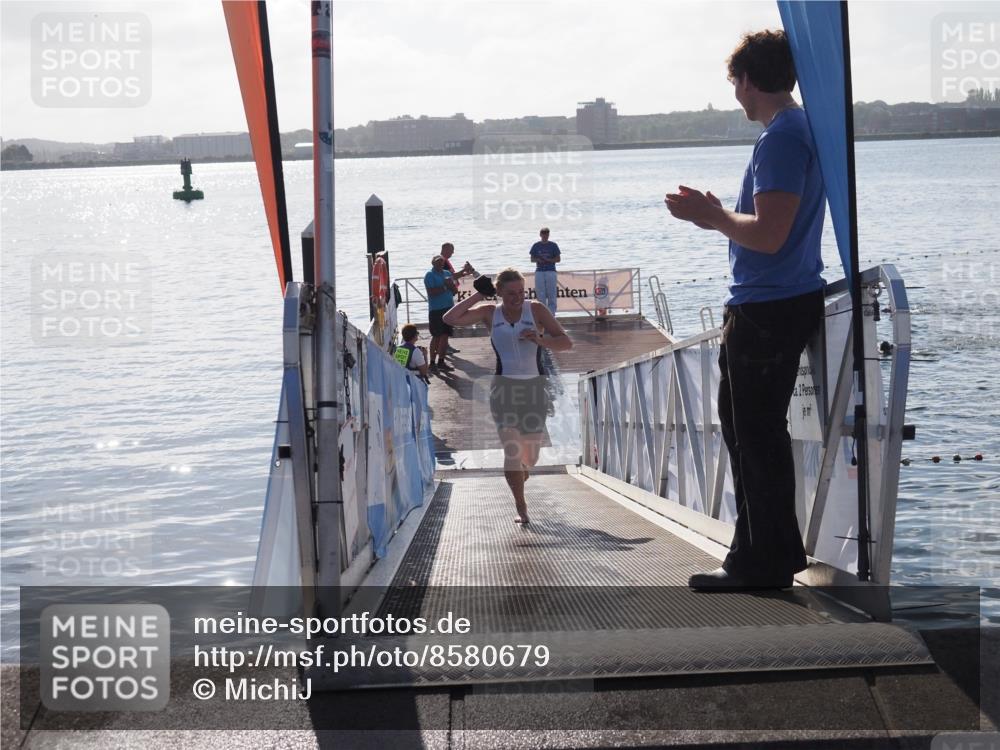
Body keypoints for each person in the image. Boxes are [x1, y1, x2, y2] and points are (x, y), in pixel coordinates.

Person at [664, 29, 826, 590]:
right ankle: (763, 555)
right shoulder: (797, 129)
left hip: (769, 306)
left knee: (754, 434)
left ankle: (762, 563)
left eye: (734, 81)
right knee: (749, 430)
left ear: (749, 80)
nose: (734, 92)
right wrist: (714, 212)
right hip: (778, 301)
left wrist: (707, 217)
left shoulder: (781, 137)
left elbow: (771, 235)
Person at [443, 268, 572, 524]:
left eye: (521, 292)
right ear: (499, 292)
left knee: (530, 458)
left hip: (535, 388)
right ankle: (521, 508)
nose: (517, 298)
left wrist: (540, 340)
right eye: (511, 293)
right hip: (504, 389)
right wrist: (480, 294)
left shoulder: (535, 310)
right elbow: (450, 318)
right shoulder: (491, 313)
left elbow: (566, 342)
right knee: (512, 451)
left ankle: (523, 472)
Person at [424, 255, 458, 372]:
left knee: (445, 335)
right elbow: (431, 292)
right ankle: (432, 362)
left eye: (442, 262)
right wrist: (445, 286)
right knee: (436, 336)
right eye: (438, 262)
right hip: (436, 309)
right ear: (433, 263)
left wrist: (452, 287)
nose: (440, 264)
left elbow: (454, 291)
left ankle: (441, 361)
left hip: (449, 308)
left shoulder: (447, 273)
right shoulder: (430, 275)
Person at [440, 242, 475, 355]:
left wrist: (464, 272)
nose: (452, 253)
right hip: (444, 297)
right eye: (451, 250)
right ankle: (444, 347)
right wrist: (463, 271)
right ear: (445, 249)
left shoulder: (445, 261)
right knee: (446, 324)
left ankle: (445, 346)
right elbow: (451, 277)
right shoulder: (442, 262)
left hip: (447, 295)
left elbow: (453, 276)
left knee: (446, 324)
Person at [529, 228, 560, 315]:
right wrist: (539, 259)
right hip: (539, 271)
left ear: (548, 235)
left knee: (552, 293)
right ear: (540, 235)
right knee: (540, 293)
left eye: (547, 234)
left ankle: (552, 314)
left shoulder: (553, 245)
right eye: (543, 234)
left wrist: (550, 260)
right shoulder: (536, 245)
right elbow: (532, 259)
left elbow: (558, 259)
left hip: (550, 271)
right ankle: (542, 314)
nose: (545, 236)